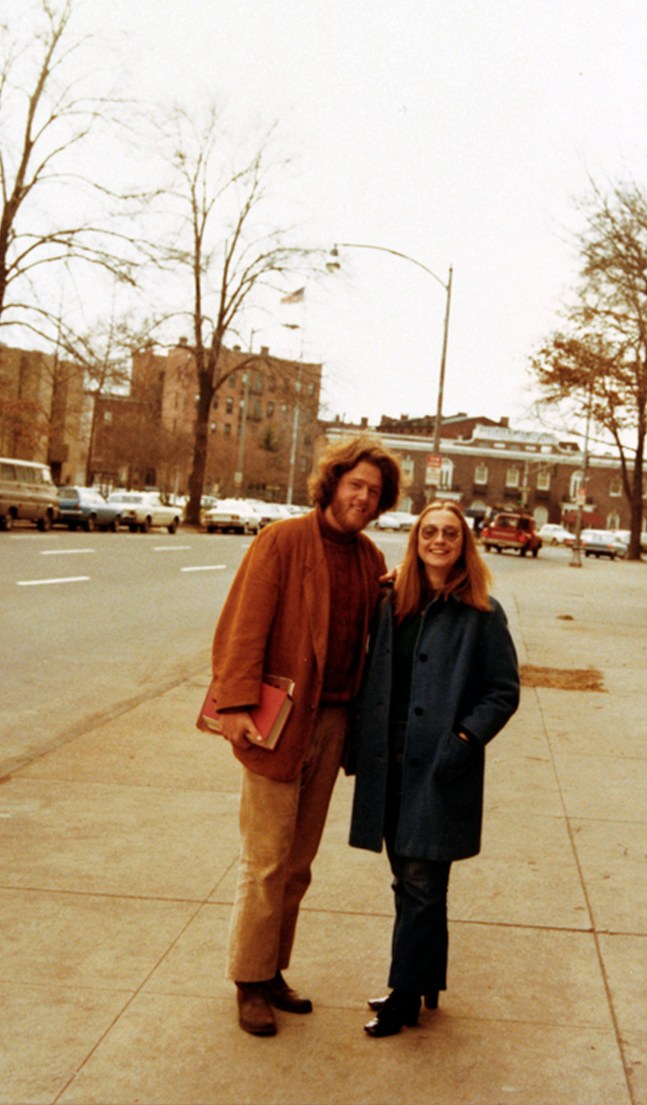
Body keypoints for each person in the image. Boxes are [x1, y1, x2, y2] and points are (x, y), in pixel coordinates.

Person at [212, 436, 401, 1037]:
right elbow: (245, 625)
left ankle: (272, 971)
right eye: (356, 485)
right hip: (277, 719)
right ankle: (248, 981)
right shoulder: (284, 540)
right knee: (266, 860)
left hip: (334, 722)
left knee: (298, 862)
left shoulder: (371, 559)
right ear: (333, 483)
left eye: (374, 492)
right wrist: (236, 704)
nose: (364, 498)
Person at [348, 499, 520, 1037]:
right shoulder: (392, 601)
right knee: (409, 882)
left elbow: (503, 691)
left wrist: (464, 738)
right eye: (429, 532)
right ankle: (425, 980)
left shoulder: (482, 613)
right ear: (416, 540)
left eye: (450, 533)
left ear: (463, 544)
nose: (439, 541)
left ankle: (403, 998)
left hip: (441, 768)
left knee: (422, 882)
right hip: (390, 763)